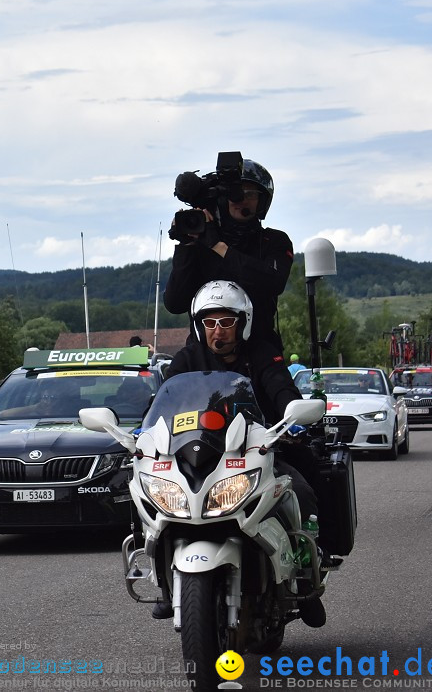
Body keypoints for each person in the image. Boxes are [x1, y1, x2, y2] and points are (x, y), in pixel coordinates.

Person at [160, 279, 325, 627]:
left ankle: (305, 579)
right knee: (151, 493)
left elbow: (279, 386)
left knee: (301, 491)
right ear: (198, 325)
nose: (217, 331)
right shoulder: (188, 358)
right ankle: (164, 584)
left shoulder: (262, 353)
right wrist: (145, 430)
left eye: (225, 322)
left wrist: (291, 413)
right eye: (209, 323)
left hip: (259, 447)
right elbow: (166, 399)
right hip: (200, 452)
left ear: (243, 322)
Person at [164, 157, 293, 352]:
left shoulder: (274, 241)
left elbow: (272, 283)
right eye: (235, 195)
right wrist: (187, 245)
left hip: (258, 351)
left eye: (249, 194)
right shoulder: (201, 244)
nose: (240, 200)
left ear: (262, 201)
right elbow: (175, 303)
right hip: (204, 355)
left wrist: (219, 247)